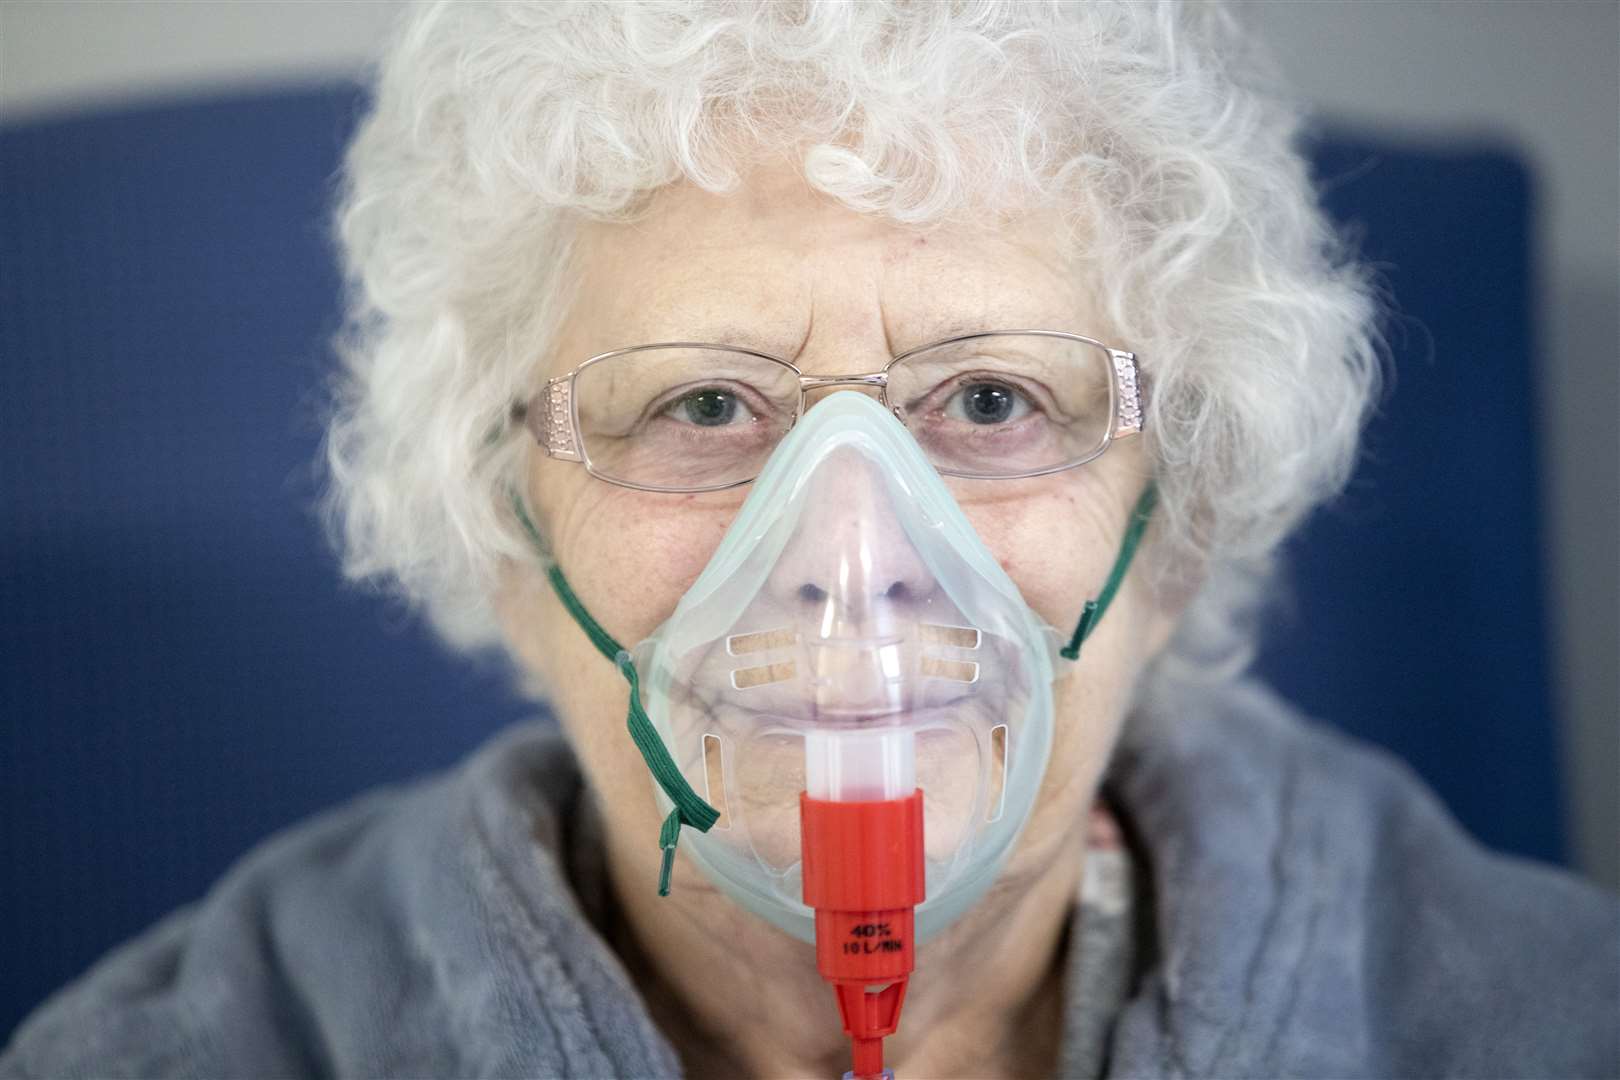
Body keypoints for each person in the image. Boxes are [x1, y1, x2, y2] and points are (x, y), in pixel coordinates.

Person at [5, 2, 1616, 1078]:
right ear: (498, 519)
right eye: (705, 406)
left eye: (992, 398)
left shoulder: (1538, 1018)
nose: (854, 555)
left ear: (1179, 512)